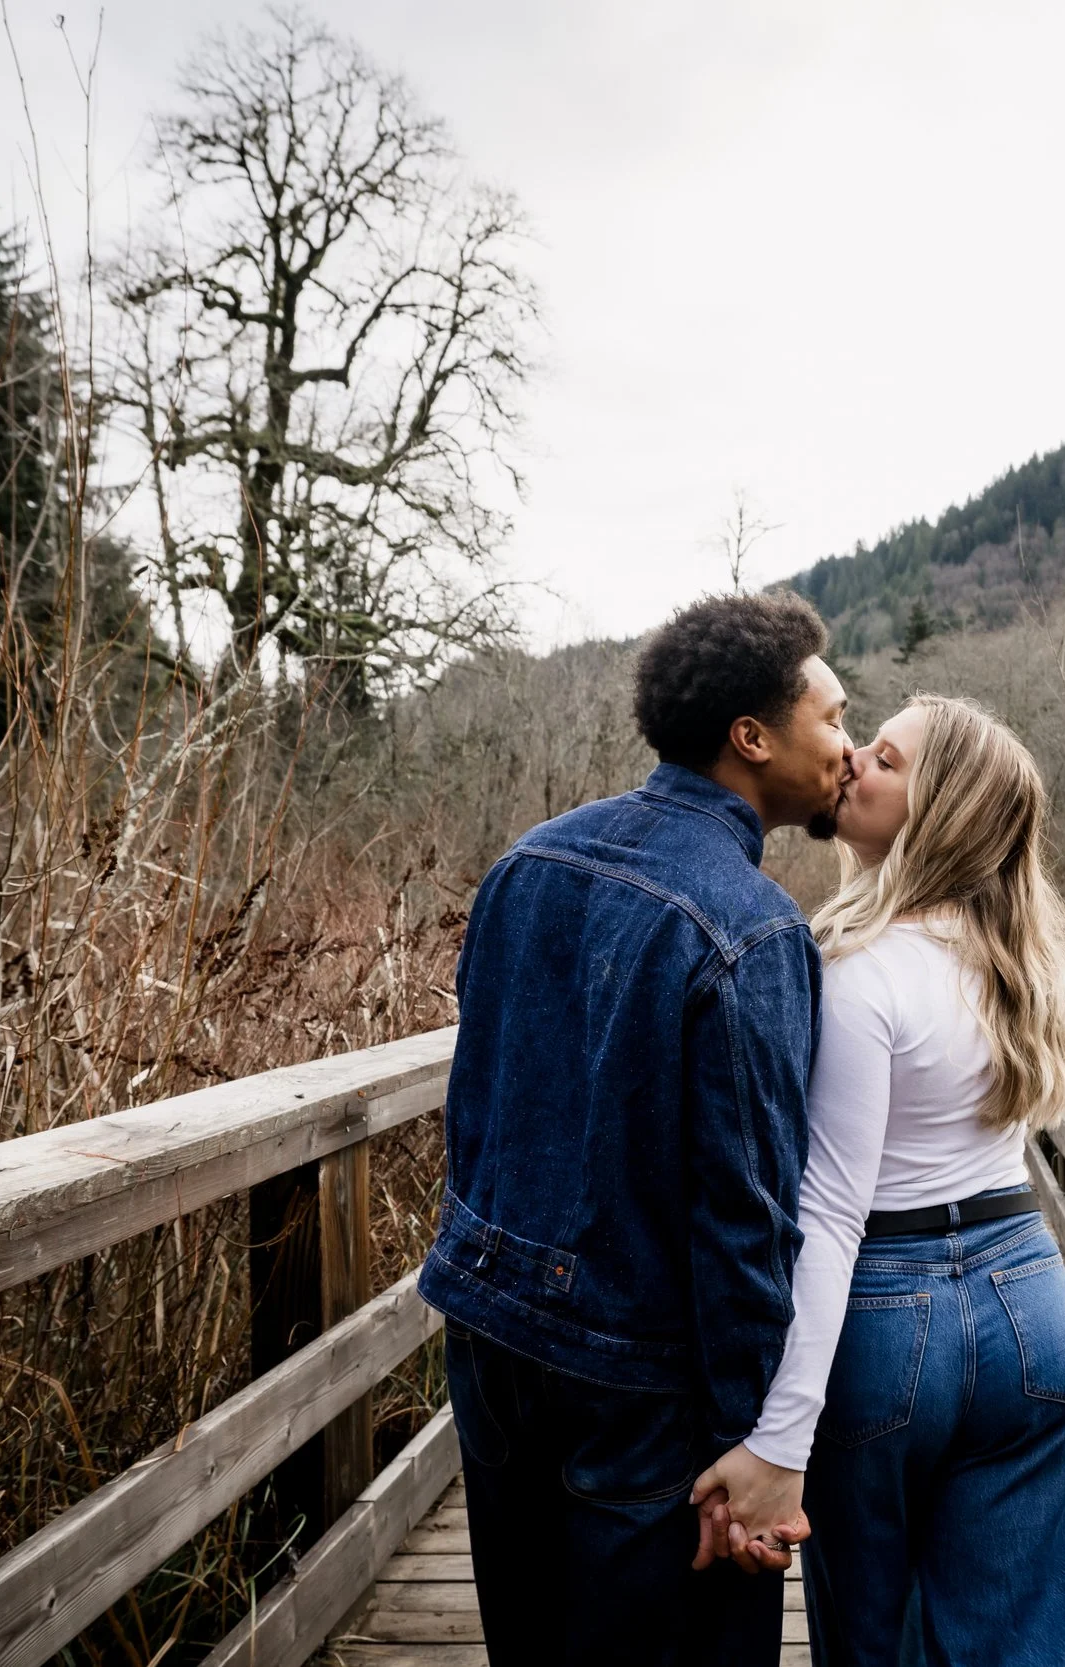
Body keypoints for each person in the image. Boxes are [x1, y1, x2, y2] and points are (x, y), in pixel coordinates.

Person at [421, 591, 849, 1665]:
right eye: (833, 717)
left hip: (489, 1333)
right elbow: (747, 1213)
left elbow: (475, 1109)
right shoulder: (752, 929)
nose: (847, 744)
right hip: (639, 1383)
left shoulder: (529, 860)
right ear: (752, 737)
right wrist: (756, 1446)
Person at [691, 695, 1065, 1666]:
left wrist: (780, 1440)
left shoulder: (859, 973)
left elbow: (831, 1213)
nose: (853, 763)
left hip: (888, 1315)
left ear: (938, 809)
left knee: (870, 1643)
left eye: (885, 757)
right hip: (1031, 1300)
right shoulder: (1019, 965)